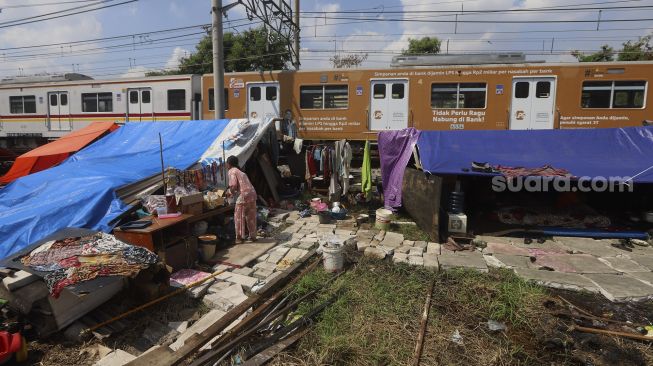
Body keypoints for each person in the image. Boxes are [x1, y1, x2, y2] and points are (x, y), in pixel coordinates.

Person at [226, 156, 257, 243]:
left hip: (244, 196)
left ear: (229, 164)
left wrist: (229, 193)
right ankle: (253, 236)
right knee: (251, 217)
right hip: (252, 194)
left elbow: (233, 185)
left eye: (226, 163)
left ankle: (239, 238)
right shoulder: (240, 171)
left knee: (238, 217)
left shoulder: (232, 171)